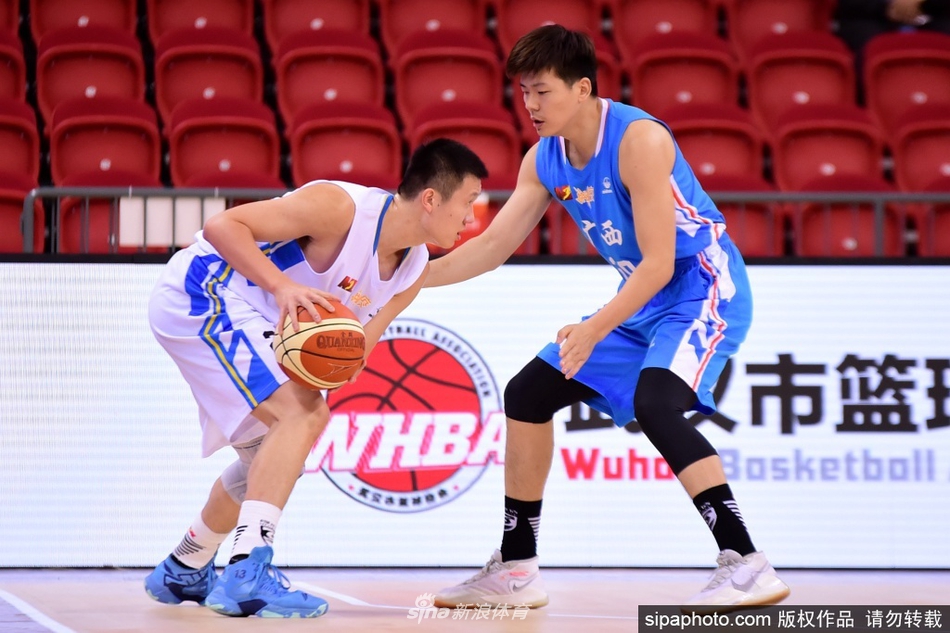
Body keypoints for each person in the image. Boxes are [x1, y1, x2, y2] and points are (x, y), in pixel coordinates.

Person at [426, 25, 790, 610]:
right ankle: (516, 569)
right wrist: (409, 281)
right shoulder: (543, 158)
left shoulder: (638, 140)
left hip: (702, 287)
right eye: (524, 92)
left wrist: (593, 328)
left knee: (656, 403)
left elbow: (659, 264)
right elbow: (491, 247)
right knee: (527, 394)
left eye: (543, 91)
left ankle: (747, 563)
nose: (530, 105)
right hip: (643, 296)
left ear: (582, 88)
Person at [144, 139, 488, 618]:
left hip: (258, 320)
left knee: (271, 459)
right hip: (205, 290)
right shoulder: (340, 208)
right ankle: (246, 572)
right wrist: (282, 286)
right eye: (468, 202)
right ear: (431, 199)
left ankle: (186, 564)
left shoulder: (412, 271)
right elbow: (223, 226)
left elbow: (357, 353)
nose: (470, 218)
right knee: (303, 414)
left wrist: (334, 361)